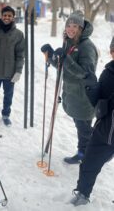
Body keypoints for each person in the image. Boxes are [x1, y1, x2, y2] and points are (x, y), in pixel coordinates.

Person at [41, 11, 98, 164]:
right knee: (82, 128)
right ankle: (87, 152)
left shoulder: (86, 47)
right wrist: (52, 55)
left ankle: (92, 153)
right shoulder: (70, 42)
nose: (70, 29)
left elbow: (86, 74)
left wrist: (66, 59)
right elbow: (63, 66)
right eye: (68, 25)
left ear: (80, 28)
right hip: (73, 95)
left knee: (84, 129)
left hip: (84, 96)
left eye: (75, 26)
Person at [70, 37, 114, 206]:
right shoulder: (108, 72)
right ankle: (82, 194)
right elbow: (97, 102)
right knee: (89, 163)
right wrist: (91, 87)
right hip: (104, 130)